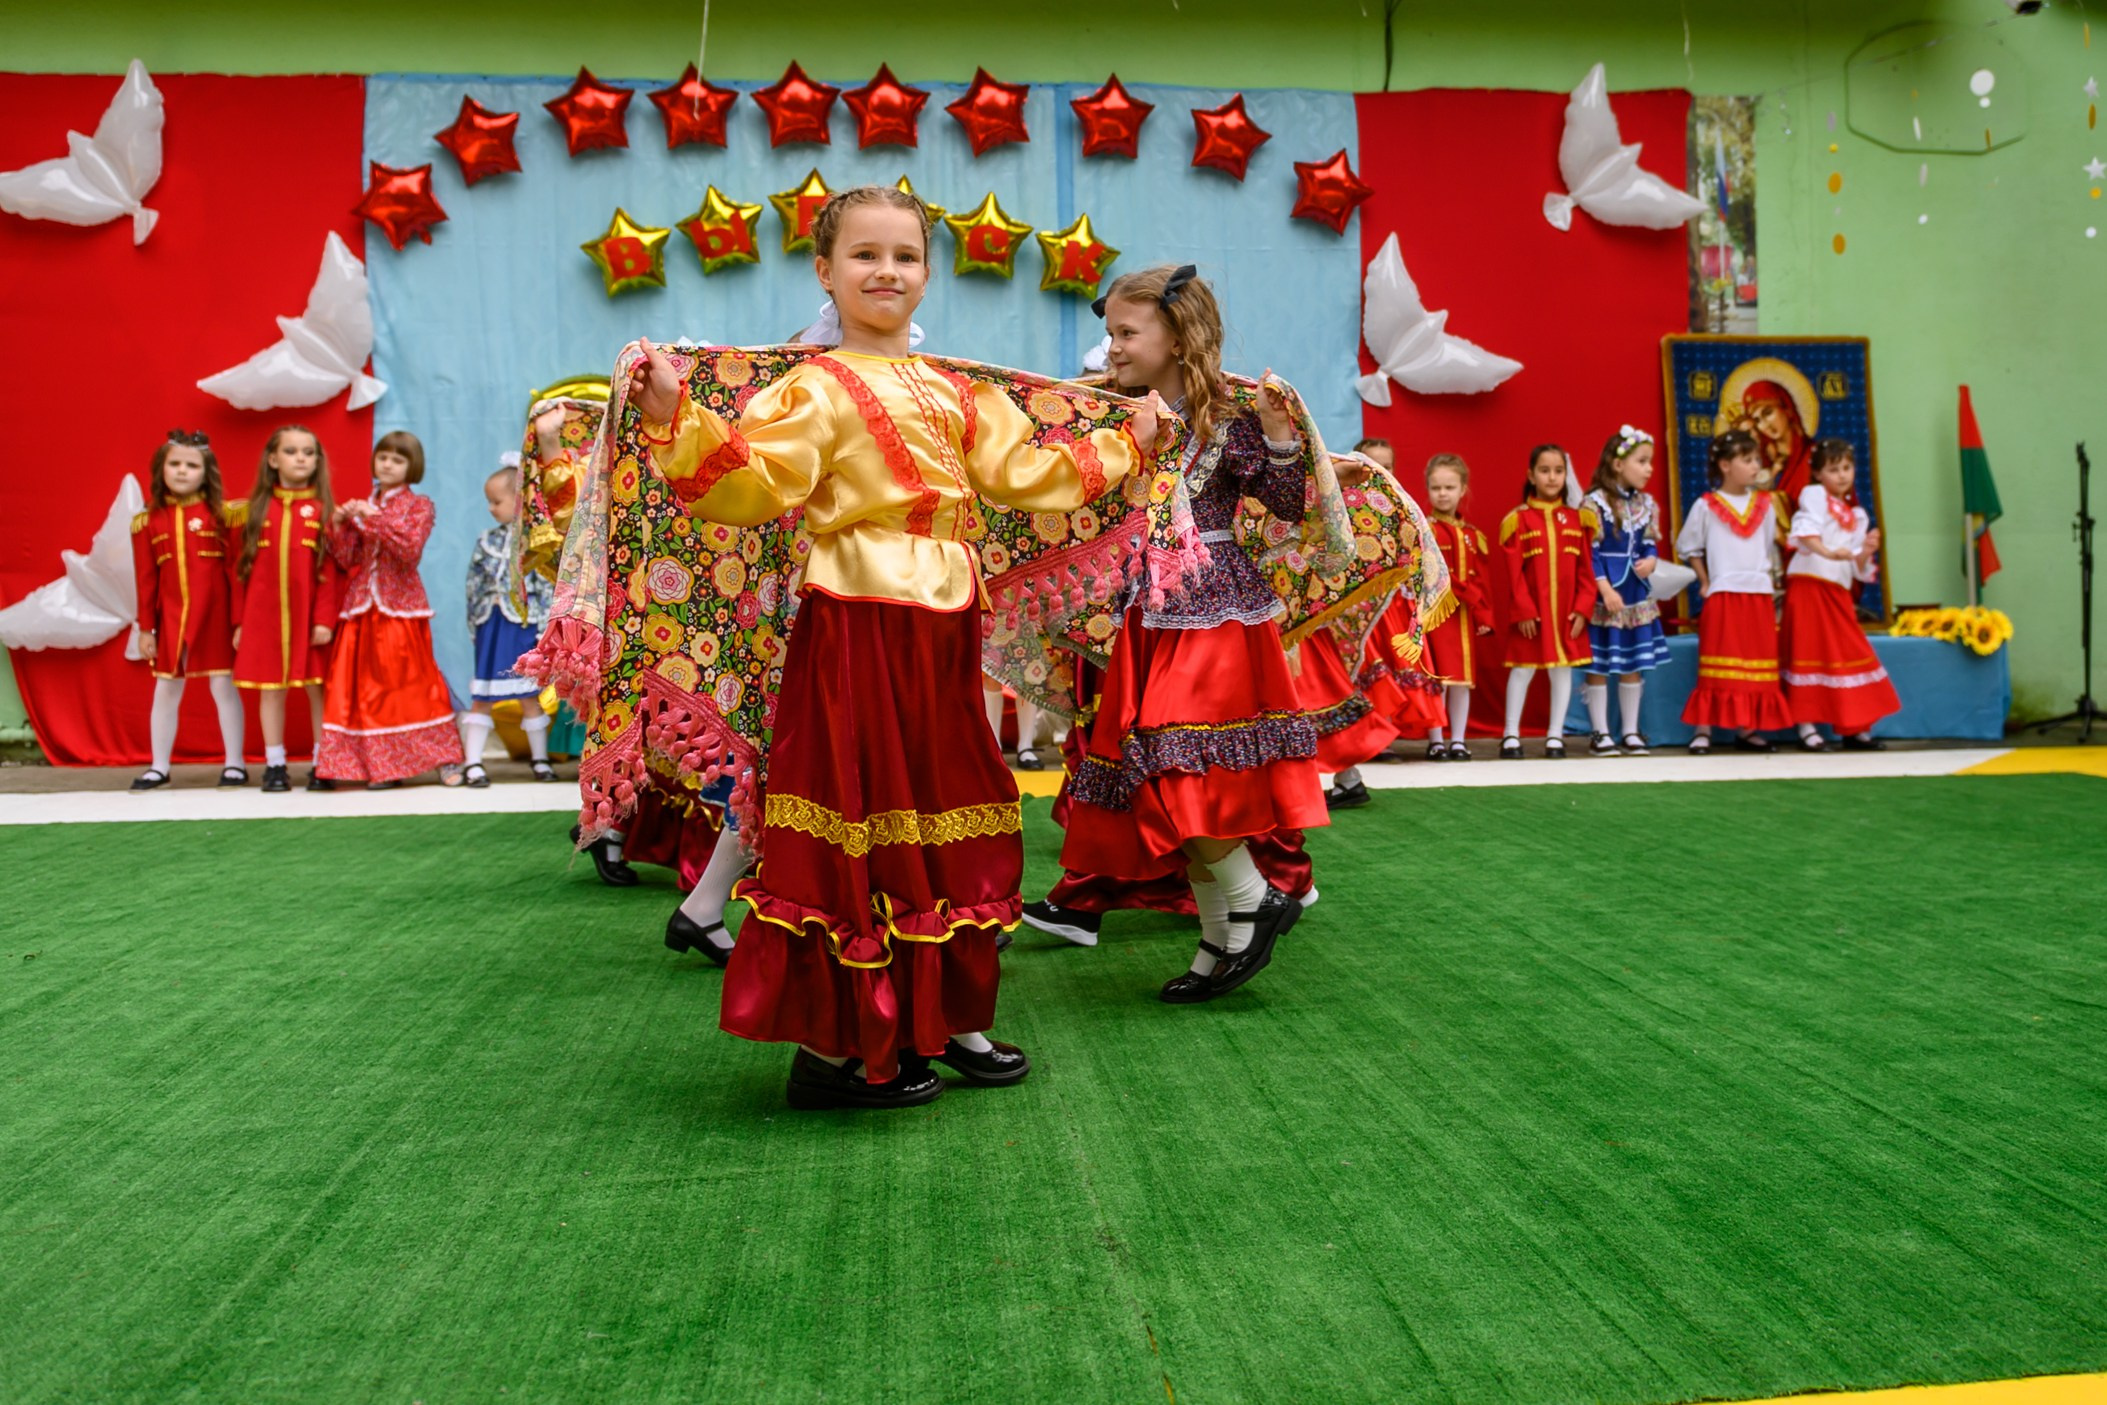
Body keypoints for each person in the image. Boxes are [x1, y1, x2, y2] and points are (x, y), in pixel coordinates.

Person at [626, 185, 1157, 1109]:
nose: (886, 271)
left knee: (956, 799)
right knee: (859, 810)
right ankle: (837, 1049)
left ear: (926, 274)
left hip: (944, 626)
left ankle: (948, 1016)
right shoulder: (813, 386)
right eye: (864, 255)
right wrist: (680, 416)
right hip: (856, 623)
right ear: (824, 272)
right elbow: (754, 484)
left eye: (905, 256)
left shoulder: (956, 389)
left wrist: (1126, 443)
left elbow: (1023, 473)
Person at [1058, 265, 1329, 1003]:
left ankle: (1254, 895)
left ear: (1176, 339)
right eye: (1108, 331)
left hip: (1213, 609)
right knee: (1156, 768)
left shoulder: (1226, 418)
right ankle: (1218, 937)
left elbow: (1282, 503)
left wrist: (1278, 439)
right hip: (1146, 611)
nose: (1110, 346)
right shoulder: (1109, 414)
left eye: (1124, 332)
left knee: (1177, 763)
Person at [317, 431, 466, 787]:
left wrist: (373, 519)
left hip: (400, 607)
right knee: (361, 689)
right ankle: (379, 767)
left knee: (413, 685)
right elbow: (348, 558)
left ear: (411, 466)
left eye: (397, 459)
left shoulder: (420, 506)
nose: (387, 464)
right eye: (383, 457)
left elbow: (408, 551)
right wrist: (339, 526)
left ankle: (443, 759)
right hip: (362, 607)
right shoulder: (366, 504)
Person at [128, 430, 247, 790]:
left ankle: (235, 764)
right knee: (165, 688)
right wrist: (146, 628)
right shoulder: (147, 522)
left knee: (222, 685)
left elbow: (236, 574)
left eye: (191, 465)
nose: (182, 471)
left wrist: (239, 621)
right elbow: (146, 580)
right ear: (161, 469)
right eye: (175, 464)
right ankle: (159, 766)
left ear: (206, 471)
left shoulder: (225, 515)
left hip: (215, 616)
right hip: (171, 619)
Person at [232, 424, 340, 792]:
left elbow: (330, 571)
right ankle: (274, 764)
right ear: (273, 459)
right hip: (263, 619)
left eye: (308, 453)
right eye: (292, 451)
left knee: (316, 689)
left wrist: (325, 619)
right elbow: (239, 572)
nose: (301, 459)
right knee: (270, 690)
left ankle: (321, 761)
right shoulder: (253, 512)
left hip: (309, 620)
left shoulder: (324, 512)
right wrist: (239, 622)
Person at [1677, 428, 1791, 753]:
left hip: (1757, 594)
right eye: (1747, 460)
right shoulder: (1707, 505)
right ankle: (1703, 729)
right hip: (1724, 592)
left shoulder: (1766, 505)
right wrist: (1704, 580)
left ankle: (1748, 728)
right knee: (1717, 663)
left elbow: (1767, 546)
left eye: (1757, 459)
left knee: (1755, 662)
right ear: (1725, 465)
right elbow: (1689, 546)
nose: (1756, 466)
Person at [1783, 438, 1898, 750]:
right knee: (1807, 652)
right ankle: (1806, 726)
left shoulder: (1856, 514)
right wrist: (1830, 553)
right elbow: (1806, 535)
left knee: (1848, 652)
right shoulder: (1815, 495)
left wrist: (1866, 551)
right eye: (1834, 469)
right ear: (1819, 473)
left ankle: (1854, 725)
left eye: (1847, 467)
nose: (1843, 475)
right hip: (1809, 585)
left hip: (1836, 591)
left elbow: (1857, 564)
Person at [460, 460, 556, 786]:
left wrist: (544, 627)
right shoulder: (487, 541)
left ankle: (540, 760)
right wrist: (475, 620)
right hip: (493, 625)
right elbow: (473, 585)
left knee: (528, 693)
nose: (490, 508)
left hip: (523, 627)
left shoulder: (537, 542)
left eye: (496, 501)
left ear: (520, 500)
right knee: (483, 695)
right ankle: (473, 762)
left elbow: (545, 586)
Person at [1499, 445, 1597, 759]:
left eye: (1558, 470)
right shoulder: (1519, 521)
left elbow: (1586, 570)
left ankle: (1555, 735)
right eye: (1544, 470)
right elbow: (1513, 574)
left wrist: (1583, 607)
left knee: (1561, 671)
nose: (1552, 477)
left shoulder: (1578, 520)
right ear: (1531, 475)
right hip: (1533, 615)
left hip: (1567, 613)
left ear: (1566, 475)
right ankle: (1510, 734)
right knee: (1523, 669)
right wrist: (1524, 610)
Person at [1578, 426, 1668, 756]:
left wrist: (1652, 560)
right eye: (1642, 461)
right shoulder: (1595, 503)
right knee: (1599, 663)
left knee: (1632, 661)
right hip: (1607, 594)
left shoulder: (1646, 504)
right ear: (1618, 464)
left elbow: (1648, 542)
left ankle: (1630, 732)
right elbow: (1592, 552)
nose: (1649, 469)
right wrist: (1604, 588)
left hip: (1634, 593)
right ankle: (1600, 733)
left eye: (1650, 462)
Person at [1421, 454, 1493, 760]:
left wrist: (1484, 613)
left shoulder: (1473, 535)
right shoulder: (1425, 529)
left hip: (1464, 616)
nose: (1443, 493)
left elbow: (1483, 579)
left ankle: (1459, 740)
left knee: (1463, 681)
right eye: (1436, 487)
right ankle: (1436, 739)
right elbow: (1430, 574)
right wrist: (1466, 592)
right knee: (1438, 679)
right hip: (1436, 615)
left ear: (1463, 488)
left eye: (1450, 486)